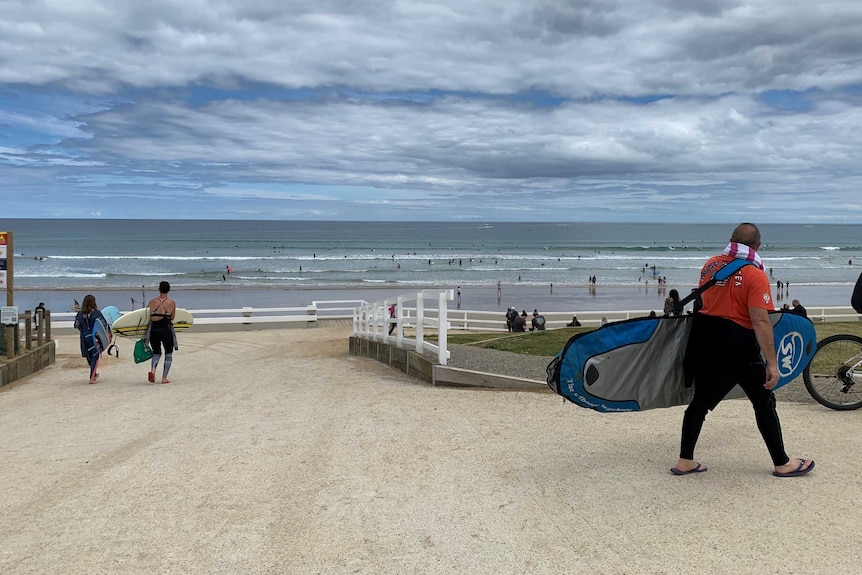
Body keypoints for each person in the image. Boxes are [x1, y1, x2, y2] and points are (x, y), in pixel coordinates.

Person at [673, 223, 814, 478]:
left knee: (700, 403)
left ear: (731, 241)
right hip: (738, 347)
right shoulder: (755, 274)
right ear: (758, 246)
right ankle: (782, 463)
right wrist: (772, 362)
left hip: (705, 339)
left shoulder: (711, 265)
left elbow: (707, 302)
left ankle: (685, 461)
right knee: (764, 401)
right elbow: (760, 321)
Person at [73, 294, 110, 384]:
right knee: (95, 356)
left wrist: (84, 329)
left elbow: (76, 325)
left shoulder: (79, 314)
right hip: (95, 337)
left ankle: (94, 373)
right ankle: (92, 377)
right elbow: (104, 324)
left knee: (89, 355)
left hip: (84, 337)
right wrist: (108, 335)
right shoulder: (96, 313)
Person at [147, 281, 177, 384]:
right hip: (165, 329)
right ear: (169, 290)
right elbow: (172, 317)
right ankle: (164, 378)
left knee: (156, 353)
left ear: (159, 289)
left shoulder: (151, 302)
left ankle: (153, 370)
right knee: (168, 353)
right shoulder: (171, 303)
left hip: (154, 330)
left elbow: (146, 315)